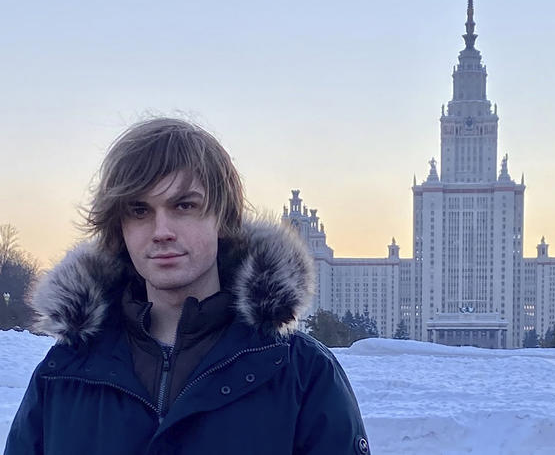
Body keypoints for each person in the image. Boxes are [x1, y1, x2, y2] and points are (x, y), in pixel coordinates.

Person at [4, 118, 370, 455]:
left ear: (222, 217)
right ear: (119, 228)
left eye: (184, 205)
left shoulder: (301, 372)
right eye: (139, 210)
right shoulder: (64, 373)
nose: (162, 231)